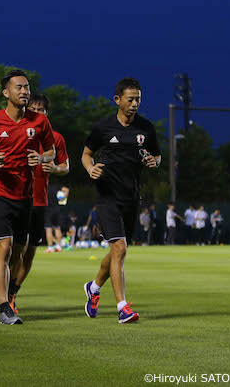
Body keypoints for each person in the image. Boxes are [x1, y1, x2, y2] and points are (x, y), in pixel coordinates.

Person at [0, 70, 55, 325]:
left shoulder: (40, 122)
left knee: (17, 253)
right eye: (19, 87)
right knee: (3, 249)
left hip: (25, 196)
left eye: (27, 87)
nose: (25, 91)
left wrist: (41, 158)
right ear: (6, 92)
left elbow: (51, 152)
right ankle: (5, 307)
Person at [82, 77, 160, 324]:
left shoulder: (146, 128)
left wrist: (154, 161)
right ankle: (122, 307)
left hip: (132, 198)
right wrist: (90, 168)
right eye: (130, 99)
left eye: (138, 99)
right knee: (120, 248)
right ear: (117, 99)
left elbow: (157, 156)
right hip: (107, 197)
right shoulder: (104, 127)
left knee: (117, 251)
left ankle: (94, 288)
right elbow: (86, 154)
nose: (135, 103)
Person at [8, 93, 69, 313]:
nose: (37, 113)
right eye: (33, 109)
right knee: (15, 250)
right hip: (17, 199)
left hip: (41, 201)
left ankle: (11, 292)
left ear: (47, 113)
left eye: (41, 110)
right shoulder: (17, 132)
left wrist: (55, 168)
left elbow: (66, 167)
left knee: (30, 253)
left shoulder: (56, 138)